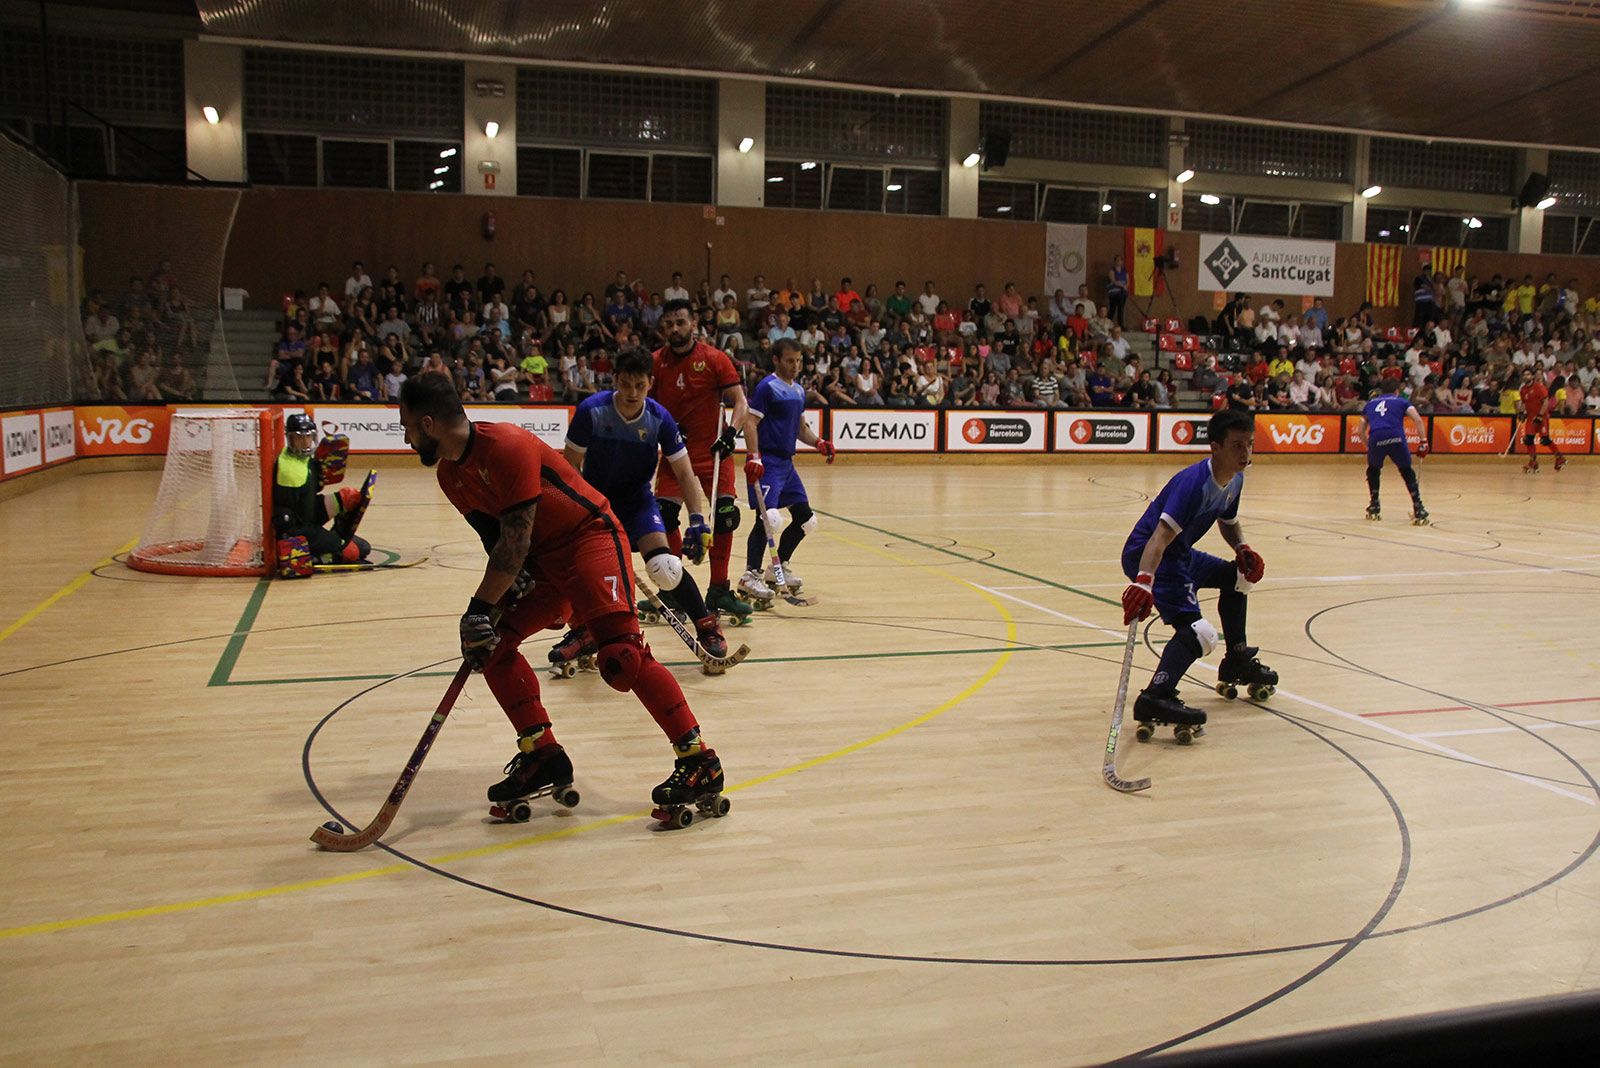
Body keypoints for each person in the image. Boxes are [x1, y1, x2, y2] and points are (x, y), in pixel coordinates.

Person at [396, 372, 728, 824]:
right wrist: (492, 612)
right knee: (490, 649)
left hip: (587, 538)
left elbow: (513, 544)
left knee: (621, 658)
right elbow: (499, 546)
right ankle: (542, 755)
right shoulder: (452, 477)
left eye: (408, 426)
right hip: (542, 562)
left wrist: (476, 609)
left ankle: (698, 761)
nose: (407, 437)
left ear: (428, 423)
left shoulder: (506, 446)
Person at [561, 350, 730, 669]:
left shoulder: (659, 418)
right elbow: (568, 469)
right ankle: (583, 632)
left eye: (640, 385)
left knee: (666, 567)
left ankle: (707, 626)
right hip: (596, 504)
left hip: (638, 502)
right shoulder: (591, 411)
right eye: (625, 385)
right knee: (582, 571)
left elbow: (684, 473)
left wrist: (697, 520)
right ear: (615, 380)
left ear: (650, 384)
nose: (632, 393)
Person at [1120, 407, 1276, 736]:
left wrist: (1242, 549)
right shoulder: (1193, 484)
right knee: (1200, 634)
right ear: (1214, 448)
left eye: (1249, 443)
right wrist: (1144, 583)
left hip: (1180, 554)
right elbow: (1158, 538)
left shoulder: (1235, 479)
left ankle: (1236, 658)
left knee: (1238, 577)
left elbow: (1228, 521)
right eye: (1237, 445)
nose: (1245, 453)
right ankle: (1156, 694)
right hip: (1150, 555)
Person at [651, 298, 754, 624]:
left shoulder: (714, 358)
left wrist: (731, 433)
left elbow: (740, 401)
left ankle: (719, 589)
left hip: (714, 454)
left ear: (693, 323)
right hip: (672, 456)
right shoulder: (655, 362)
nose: (675, 329)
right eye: (669, 324)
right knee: (665, 519)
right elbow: (643, 404)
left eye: (680, 322)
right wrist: (661, 423)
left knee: (725, 517)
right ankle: (674, 589)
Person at [739, 338, 837, 603]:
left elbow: (800, 428)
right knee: (769, 519)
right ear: (776, 360)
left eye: (799, 361)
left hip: (787, 465)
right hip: (768, 462)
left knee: (806, 520)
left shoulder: (798, 391)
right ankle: (751, 575)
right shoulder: (767, 387)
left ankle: (777, 568)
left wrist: (818, 442)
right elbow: (749, 422)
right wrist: (754, 457)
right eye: (790, 361)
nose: (795, 366)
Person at [272, 414, 371, 568]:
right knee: (355, 552)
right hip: (301, 528)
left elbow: (311, 493)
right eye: (299, 438)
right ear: (290, 439)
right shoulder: (288, 471)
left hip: (307, 512)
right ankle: (321, 555)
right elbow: (290, 522)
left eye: (309, 437)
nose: (305, 442)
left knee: (349, 496)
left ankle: (336, 539)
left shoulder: (303, 458)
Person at [1360, 379, 1429, 523]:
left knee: (1373, 470)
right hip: (1396, 436)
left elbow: (1361, 430)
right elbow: (1417, 419)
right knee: (1406, 471)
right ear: (1397, 390)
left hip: (1376, 437)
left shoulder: (1370, 404)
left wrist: (1369, 445)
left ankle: (1374, 504)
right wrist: (1423, 442)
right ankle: (1418, 506)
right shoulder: (1401, 401)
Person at [1517, 367, 1566, 473]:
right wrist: (1521, 413)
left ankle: (1559, 458)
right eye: (1524, 375)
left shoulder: (1539, 387)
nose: (1526, 376)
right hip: (1530, 417)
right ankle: (1533, 462)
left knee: (1545, 439)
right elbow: (1524, 403)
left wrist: (1540, 415)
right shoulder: (1523, 390)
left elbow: (1545, 402)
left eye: (1528, 374)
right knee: (1528, 439)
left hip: (1542, 417)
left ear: (1532, 376)